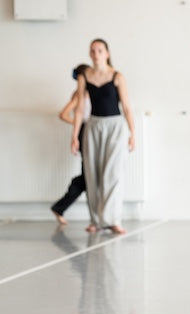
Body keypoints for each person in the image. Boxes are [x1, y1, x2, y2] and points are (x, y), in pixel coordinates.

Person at [71, 38, 135, 234]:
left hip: (115, 127)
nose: (96, 54)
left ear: (107, 53)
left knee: (113, 174)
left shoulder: (117, 76)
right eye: (92, 50)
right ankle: (96, 220)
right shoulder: (84, 77)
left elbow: (127, 107)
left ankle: (113, 219)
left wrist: (133, 133)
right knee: (92, 174)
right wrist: (74, 136)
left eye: (99, 50)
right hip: (93, 126)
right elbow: (79, 109)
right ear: (90, 54)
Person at [51, 64, 92, 225]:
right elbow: (63, 114)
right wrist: (80, 125)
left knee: (88, 175)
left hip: (94, 133)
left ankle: (60, 207)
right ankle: (60, 207)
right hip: (86, 134)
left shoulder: (93, 92)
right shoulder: (79, 94)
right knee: (87, 176)